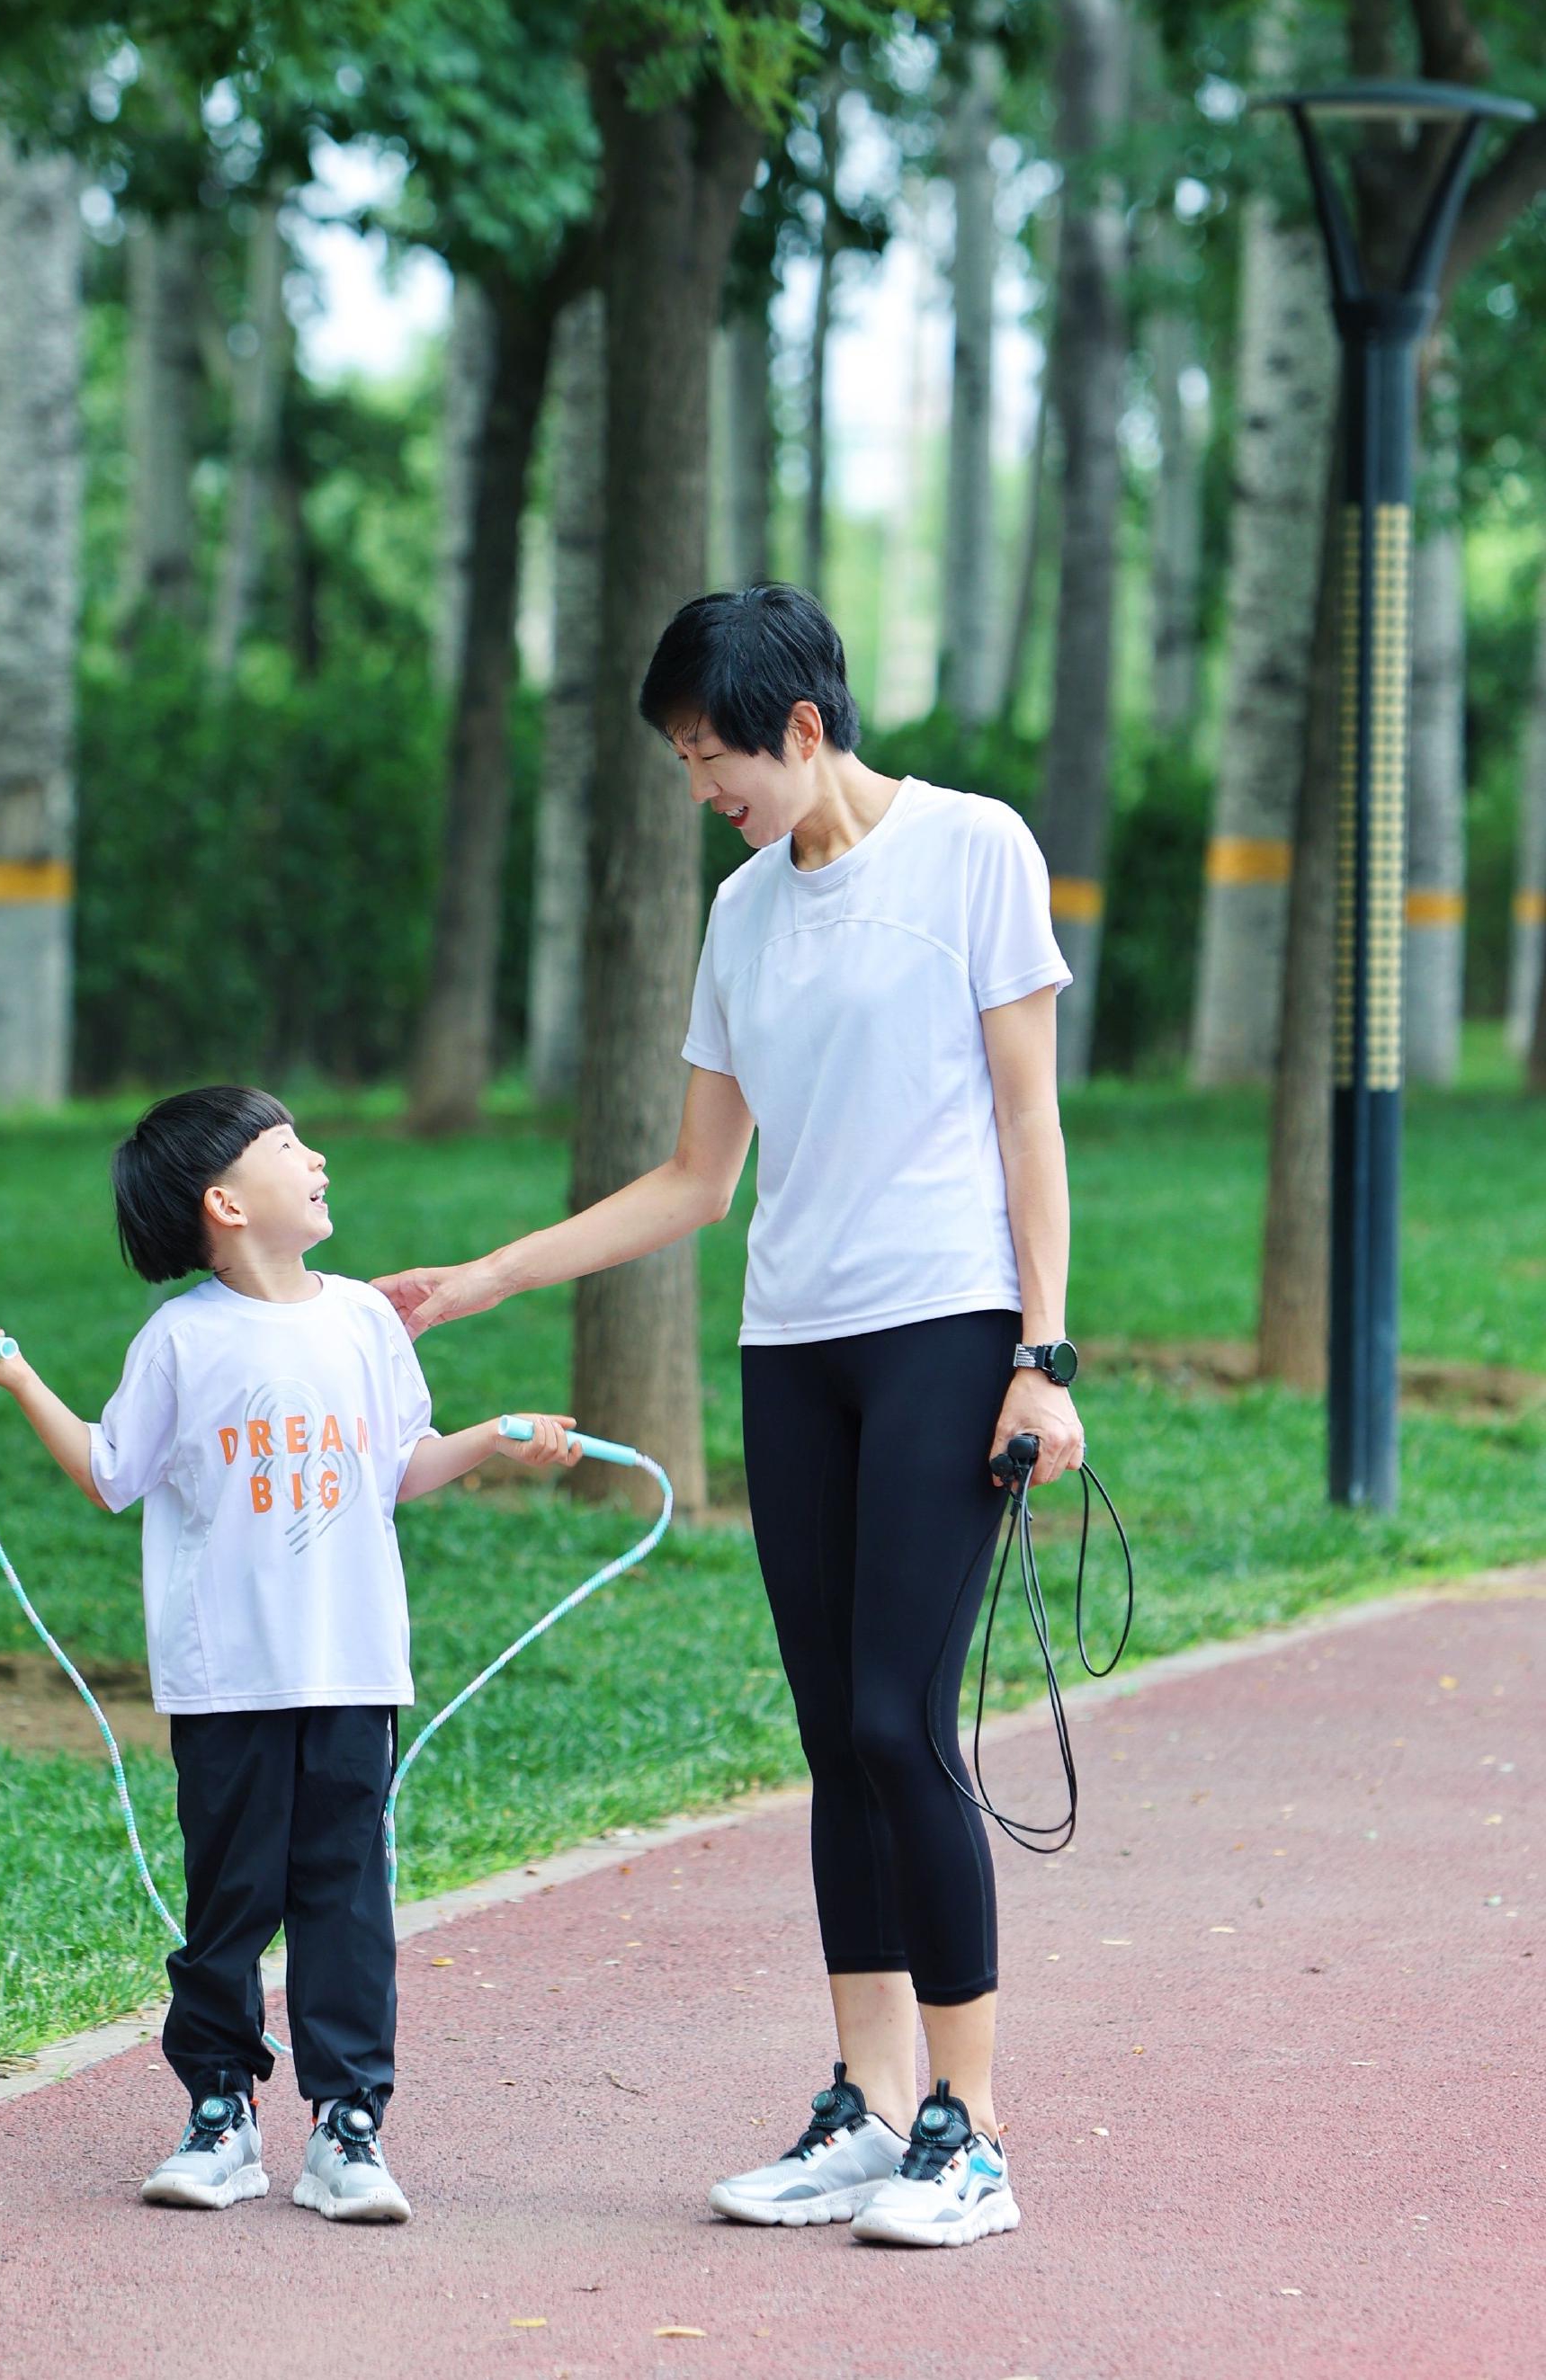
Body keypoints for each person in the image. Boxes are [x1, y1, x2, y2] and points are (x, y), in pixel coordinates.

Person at [376, 584, 1085, 2250]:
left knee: (903, 1722)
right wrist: (487, 1276)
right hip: (795, 1344)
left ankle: (970, 2130)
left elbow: (1027, 1117)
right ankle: (868, 2104)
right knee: (835, 1730)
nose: (702, 787)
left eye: (715, 757)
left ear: (804, 726)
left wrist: (1042, 1358)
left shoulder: (974, 849)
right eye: (685, 761)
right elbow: (699, 1178)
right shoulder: (743, 910)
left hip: (944, 1328)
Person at [0, 1084, 577, 2224]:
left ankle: (347, 2124)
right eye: (289, 1146)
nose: (318, 1158)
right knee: (229, 1901)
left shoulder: (365, 1321)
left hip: (352, 1669)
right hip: (226, 1678)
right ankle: (220, 2109)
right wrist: (18, 1377)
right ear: (227, 1204)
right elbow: (109, 1473)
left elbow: (396, 1467)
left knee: (346, 1900)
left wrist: (491, 1438)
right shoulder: (181, 1339)